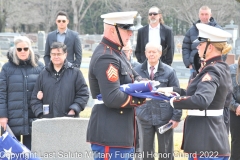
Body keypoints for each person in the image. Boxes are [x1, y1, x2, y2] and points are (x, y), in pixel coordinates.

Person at [165, 23, 232, 160]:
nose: (197, 47)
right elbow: (200, 94)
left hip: (205, 141)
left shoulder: (211, 70)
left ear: (210, 47)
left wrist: (173, 101)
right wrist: (171, 91)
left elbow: (202, 100)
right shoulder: (222, 67)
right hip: (214, 138)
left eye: (200, 44)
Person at [86, 11, 146, 160]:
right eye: (127, 29)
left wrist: (146, 85)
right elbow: (112, 98)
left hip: (120, 134)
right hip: (110, 135)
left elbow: (134, 75)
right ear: (113, 30)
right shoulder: (106, 56)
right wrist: (141, 98)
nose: (131, 33)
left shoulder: (117, 53)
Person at [134, 42, 182, 160]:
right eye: (149, 52)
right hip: (144, 116)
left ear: (160, 54)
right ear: (145, 53)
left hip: (164, 117)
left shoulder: (169, 71)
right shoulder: (136, 71)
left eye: (154, 52)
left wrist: (176, 117)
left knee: (165, 153)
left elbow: (177, 95)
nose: (151, 54)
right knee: (145, 153)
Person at [0, 36, 44, 150]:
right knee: (14, 152)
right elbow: (2, 93)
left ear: (30, 49)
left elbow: (47, 87)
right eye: (19, 49)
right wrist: (2, 115)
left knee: (31, 151)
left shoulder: (39, 67)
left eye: (25, 48)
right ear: (15, 49)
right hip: (13, 116)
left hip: (33, 116)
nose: (22, 51)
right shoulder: (7, 68)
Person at [31, 42, 89, 118]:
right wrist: (41, 113)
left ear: (65, 54)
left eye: (59, 54)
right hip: (48, 121)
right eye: (53, 54)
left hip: (69, 120)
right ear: (50, 55)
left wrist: (74, 109)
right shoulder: (43, 74)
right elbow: (35, 98)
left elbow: (83, 94)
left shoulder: (75, 73)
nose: (56, 57)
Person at [182, 6, 221, 74]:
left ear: (210, 15)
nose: (204, 17)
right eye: (202, 14)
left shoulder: (218, 30)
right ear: (199, 15)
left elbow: (223, 48)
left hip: (213, 66)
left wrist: (218, 62)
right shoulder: (191, 30)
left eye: (206, 14)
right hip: (195, 67)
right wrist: (189, 64)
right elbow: (186, 47)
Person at [229, 57, 240, 160]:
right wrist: (235, 106)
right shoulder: (231, 70)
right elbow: (227, 94)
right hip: (235, 112)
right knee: (236, 142)